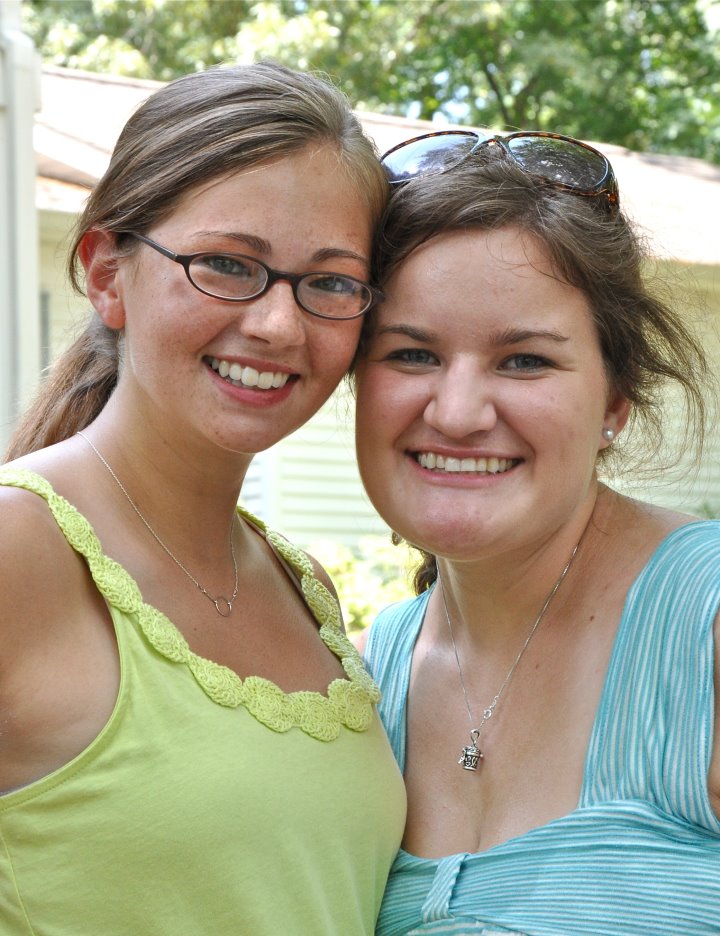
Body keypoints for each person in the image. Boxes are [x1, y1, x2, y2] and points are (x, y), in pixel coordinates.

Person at [0, 62, 406, 935]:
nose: (279, 324)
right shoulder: (16, 553)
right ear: (107, 274)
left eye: (331, 282)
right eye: (226, 264)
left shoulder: (304, 587)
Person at [353, 130, 720, 934]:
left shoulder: (707, 623)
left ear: (615, 401)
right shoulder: (369, 674)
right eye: (411, 354)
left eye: (524, 361)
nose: (456, 412)